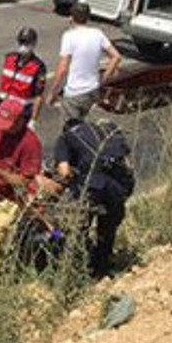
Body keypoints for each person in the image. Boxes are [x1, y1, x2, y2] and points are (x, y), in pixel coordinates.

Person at [0, 98, 46, 283]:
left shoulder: (30, 143)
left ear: (21, 120)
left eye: (9, 125)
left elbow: (23, 182)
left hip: (11, 199)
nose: (3, 129)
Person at [53, 117, 134, 276]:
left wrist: (71, 179)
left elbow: (64, 171)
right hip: (117, 187)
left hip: (92, 185)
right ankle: (102, 268)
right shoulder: (107, 130)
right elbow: (128, 162)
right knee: (107, 229)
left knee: (78, 228)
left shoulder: (65, 138)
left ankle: (79, 270)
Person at [47, 2, 121, 121]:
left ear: (71, 17)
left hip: (75, 92)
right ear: (88, 17)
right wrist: (103, 79)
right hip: (92, 89)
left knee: (71, 131)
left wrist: (53, 93)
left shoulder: (69, 36)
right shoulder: (98, 33)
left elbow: (62, 69)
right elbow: (116, 56)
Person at [0, 26, 47, 124]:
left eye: (27, 43)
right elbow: (3, 84)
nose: (23, 46)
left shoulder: (38, 67)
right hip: (2, 105)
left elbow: (38, 96)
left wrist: (33, 120)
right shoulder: (9, 58)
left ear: (33, 44)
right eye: (22, 42)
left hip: (22, 111)